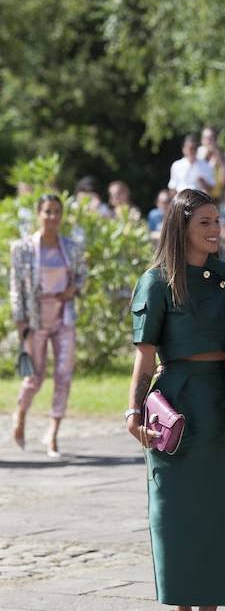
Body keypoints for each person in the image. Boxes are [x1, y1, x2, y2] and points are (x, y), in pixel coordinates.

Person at [127, 188, 225, 611]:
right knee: (176, 520)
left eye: (217, 220)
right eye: (204, 222)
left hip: (224, 403)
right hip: (174, 408)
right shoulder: (156, 282)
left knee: (222, 518)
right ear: (181, 228)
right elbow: (144, 357)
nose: (215, 229)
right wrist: (133, 412)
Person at [10, 194, 87, 456]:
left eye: (56, 212)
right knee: (35, 377)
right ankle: (20, 414)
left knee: (64, 375)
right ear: (38, 213)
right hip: (35, 317)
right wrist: (20, 322)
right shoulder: (22, 248)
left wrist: (72, 289)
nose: (52, 217)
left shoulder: (71, 247)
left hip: (63, 317)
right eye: (47, 212)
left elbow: (81, 274)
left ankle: (53, 433)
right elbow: (16, 288)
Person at [197, 125, 225, 201]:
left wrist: (221, 161)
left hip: (219, 196)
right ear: (202, 140)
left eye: (212, 138)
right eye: (206, 138)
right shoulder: (197, 154)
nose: (209, 141)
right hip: (199, 194)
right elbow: (198, 176)